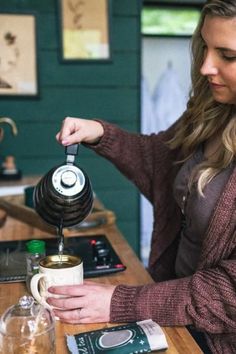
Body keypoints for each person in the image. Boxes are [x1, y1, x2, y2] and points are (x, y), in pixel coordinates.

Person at [47, 1, 236, 353]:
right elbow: (158, 161)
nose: (206, 66)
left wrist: (122, 301)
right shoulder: (213, 110)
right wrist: (99, 133)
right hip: (170, 311)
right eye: (205, 48)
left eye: (227, 55)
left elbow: (229, 294)